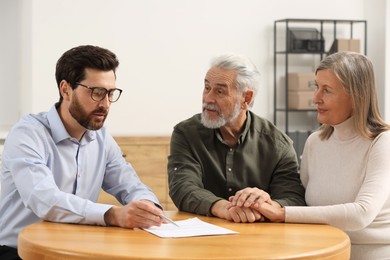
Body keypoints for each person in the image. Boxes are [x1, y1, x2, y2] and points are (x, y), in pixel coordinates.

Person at [0, 45, 165, 259]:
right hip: (18, 252)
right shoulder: (28, 133)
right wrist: (113, 215)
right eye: (96, 93)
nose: (105, 104)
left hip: (76, 251)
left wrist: (146, 206)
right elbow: (44, 199)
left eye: (110, 93)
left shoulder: (101, 138)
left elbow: (130, 185)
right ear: (65, 89)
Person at [251, 52, 390, 259]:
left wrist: (282, 213)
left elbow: (362, 214)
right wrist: (267, 201)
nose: (316, 98)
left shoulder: (382, 142)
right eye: (316, 86)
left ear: (356, 96)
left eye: (327, 90)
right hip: (319, 250)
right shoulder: (315, 142)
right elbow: (302, 204)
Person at [168, 53, 306, 223]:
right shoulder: (186, 133)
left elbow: (293, 198)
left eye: (220, 91)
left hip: (261, 240)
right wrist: (224, 208)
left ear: (246, 98)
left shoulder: (278, 144)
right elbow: (183, 187)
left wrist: (267, 204)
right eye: (206, 88)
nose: (208, 98)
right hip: (201, 240)